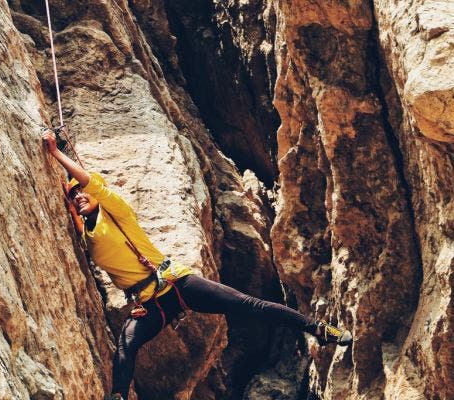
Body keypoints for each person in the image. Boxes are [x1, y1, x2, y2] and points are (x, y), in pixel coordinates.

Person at [41, 128, 352, 400]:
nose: (80, 197)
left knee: (248, 305)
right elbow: (76, 203)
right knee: (126, 348)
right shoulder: (87, 236)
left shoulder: (117, 212)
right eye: (75, 197)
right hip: (149, 304)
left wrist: (57, 151)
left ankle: (319, 329)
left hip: (177, 282)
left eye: (83, 194)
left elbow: (85, 181)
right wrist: (68, 193)